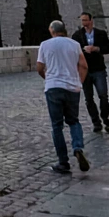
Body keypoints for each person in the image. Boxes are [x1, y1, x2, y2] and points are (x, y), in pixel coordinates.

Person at [37, 20, 89, 174]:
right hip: (72, 87)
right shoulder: (74, 44)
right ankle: (78, 147)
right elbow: (84, 65)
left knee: (57, 125)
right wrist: (79, 82)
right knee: (73, 121)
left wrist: (47, 78)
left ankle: (63, 162)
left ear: (52, 31)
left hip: (54, 87)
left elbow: (39, 67)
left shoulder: (45, 44)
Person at [72, 12, 109, 134]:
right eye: (82, 21)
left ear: (91, 20)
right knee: (89, 99)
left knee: (103, 96)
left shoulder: (101, 34)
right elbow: (74, 53)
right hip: (85, 70)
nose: (84, 23)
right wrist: (84, 51)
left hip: (99, 69)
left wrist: (96, 49)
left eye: (86, 20)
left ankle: (106, 119)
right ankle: (96, 122)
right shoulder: (77, 35)